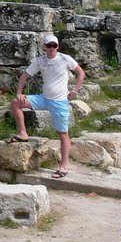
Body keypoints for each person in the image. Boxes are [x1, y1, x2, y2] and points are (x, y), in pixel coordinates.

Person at [9, 33, 85, 179]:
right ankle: (23, 133)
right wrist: (19, 92)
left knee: (63, 134)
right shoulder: (40, 61)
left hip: (60, 101)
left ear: (57, 47)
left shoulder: (65, 59)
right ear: (44, 47)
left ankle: (63, 166)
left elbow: (81, 73)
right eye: (49, 46)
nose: (51, 49)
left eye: (54, 46)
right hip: (44, 98)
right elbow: (24, 75)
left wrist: (75, 90)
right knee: (15, 103)